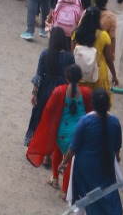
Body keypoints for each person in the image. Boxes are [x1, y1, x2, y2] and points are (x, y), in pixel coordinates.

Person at [26, 63, 92, 192]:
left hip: (62, 132)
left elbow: (49, 110)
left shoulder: (59, 91)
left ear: (66, 78)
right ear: (80, 78)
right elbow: (90, 112)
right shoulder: (86, 92)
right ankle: (64, 191)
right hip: (79, 134)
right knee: (71, 160)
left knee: (57, 150)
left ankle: (55, 178)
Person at [59, 88, 123, 215]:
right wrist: (116, 158)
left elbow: (73, 147)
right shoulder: (115, 122)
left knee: (82, 201)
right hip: (106, 168)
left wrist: (64, 163)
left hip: (85, 169)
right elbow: (117, 148)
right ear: (108, 105)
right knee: (107, 200)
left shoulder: (85, 121)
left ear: (92, 103)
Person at [24, 25, 76, 145]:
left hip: (45, 90)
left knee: (41, 117)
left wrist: (34, 93)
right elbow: (72, 79)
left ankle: (39, 143)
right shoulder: (69, 57)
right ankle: (51, 149)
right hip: (61, 90)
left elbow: (39, 76)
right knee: (57, 119)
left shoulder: (45, 54)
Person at [72, 6, 117, 100]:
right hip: (98, 75)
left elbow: (71, 53)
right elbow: (108, 59)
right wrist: (114, 75)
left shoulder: (76, 33)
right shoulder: (103, 35)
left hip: (80, 73)